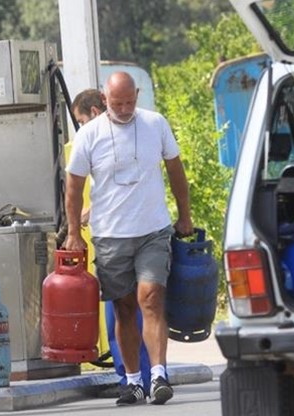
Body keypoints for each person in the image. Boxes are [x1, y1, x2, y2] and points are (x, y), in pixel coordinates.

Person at [64, 72, 193, 406]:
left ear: (137, 95)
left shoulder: (155, 124)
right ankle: (133, 381)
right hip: (110, 235)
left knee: (151, 297)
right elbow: (74, 187)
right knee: (123, 308)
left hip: (153, 230)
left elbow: (175, 171)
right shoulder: (89, 135)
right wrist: (74, 233)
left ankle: (159, 375)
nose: (124, 109)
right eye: (117, 103)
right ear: (104, 100)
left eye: (130, 102)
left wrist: (185, 215)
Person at [71, 88, 152, 397]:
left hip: (118, 241)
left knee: (121, 314)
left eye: (81, 120)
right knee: (138, 310)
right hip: (138, 235)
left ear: (94, 112)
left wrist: (84, 217)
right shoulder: (127, 138)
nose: (81, 127)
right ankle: (146, 375)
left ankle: (131, 378)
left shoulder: (101, 140)